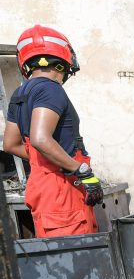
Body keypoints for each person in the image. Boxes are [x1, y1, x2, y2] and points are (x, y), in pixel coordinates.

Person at [3, 25, 102, 238]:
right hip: (62, 190)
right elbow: (40, 139)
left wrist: (46, 160)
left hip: (42, 188)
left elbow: (10, 144)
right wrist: (82, 171)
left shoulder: (20, 94)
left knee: (55, 260)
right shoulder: (50, 89)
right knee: (80, 259)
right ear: (63, 58)